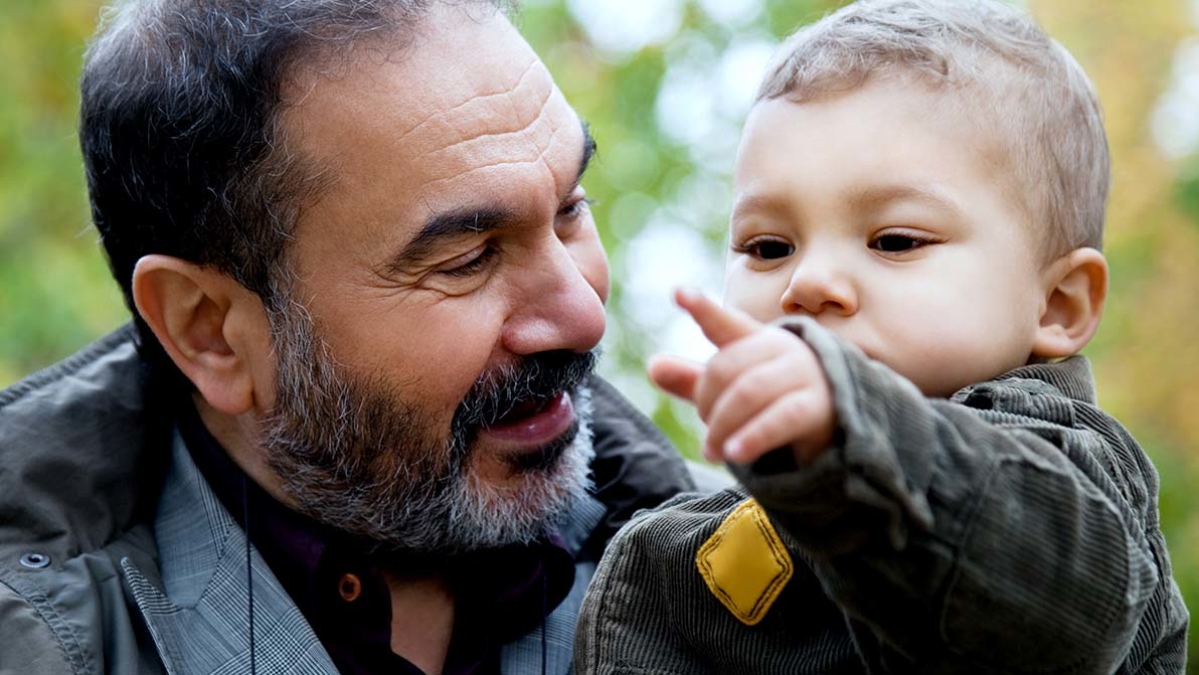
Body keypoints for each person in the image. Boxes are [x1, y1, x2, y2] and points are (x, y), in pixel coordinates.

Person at [0, 1, 729, 673]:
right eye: (467, 259)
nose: (583, 316)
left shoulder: (761, 580)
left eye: (570, 207)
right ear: (209, 330)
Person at [574, 0, 1189, 673]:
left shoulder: (1073, 479)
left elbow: (1067, 609)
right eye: (768, 245)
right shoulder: (676, 552)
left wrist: (851, 430)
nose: (806, 283)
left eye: (893, 240)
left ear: (1057, 304)